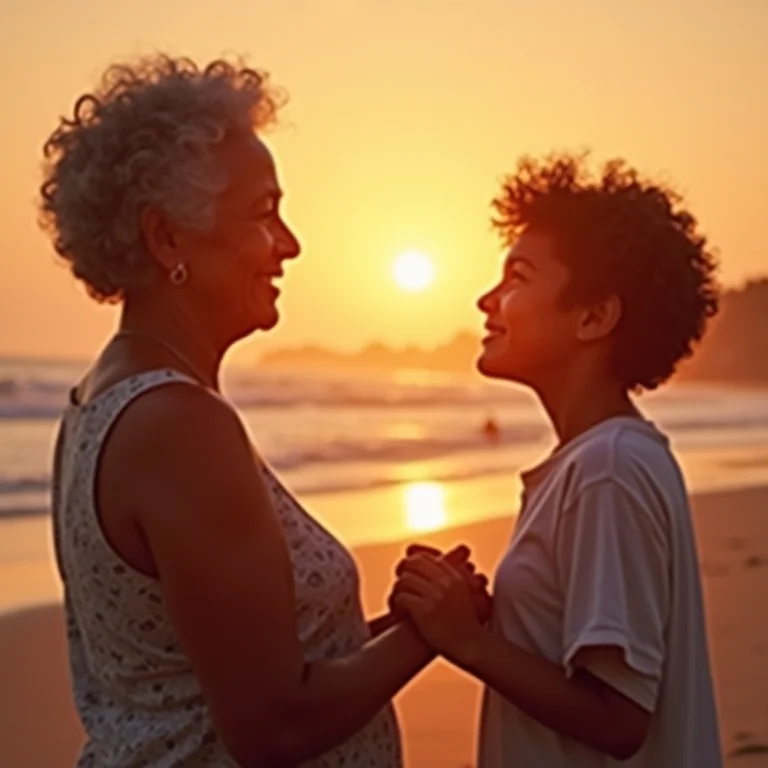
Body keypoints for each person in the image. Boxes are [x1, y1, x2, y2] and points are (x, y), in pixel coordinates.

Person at [40, 54, 489, 768]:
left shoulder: (98, 401)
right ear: (167, 238)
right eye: (263, 212)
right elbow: (273, 727)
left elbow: (221, 677)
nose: (290, 244)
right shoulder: (180, 426)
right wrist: (430, 636)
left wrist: (405, 624)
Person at [393, 153, 723, 767]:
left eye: (516, 278)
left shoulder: (607, 470)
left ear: (594, 317)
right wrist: (484, 620)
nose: (486, 300)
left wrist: (465, 641)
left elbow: (620, 718)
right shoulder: (598, 461)